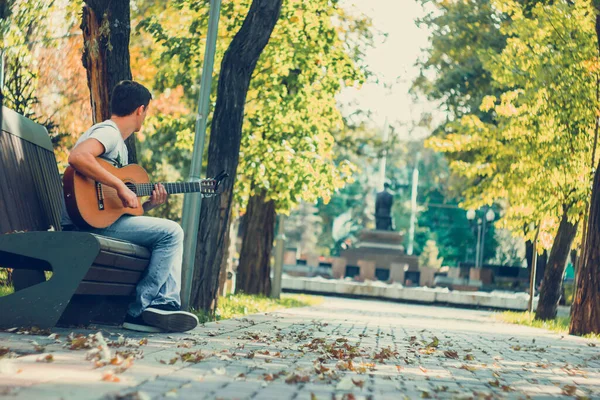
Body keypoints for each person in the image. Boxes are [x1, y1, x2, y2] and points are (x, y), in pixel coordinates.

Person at [60, 80, 198, 333]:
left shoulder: (119, 146)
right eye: (146, 112)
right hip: (82, 224)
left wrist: (147, 207)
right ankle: (143, 309)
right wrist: (121, 186)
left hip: (98, 221)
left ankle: (161, 305)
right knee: (172, 232)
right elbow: (78, 157)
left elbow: (113, 210)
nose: (145, 117)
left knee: (165, 233)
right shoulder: (109, 132)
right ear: (140, 110)